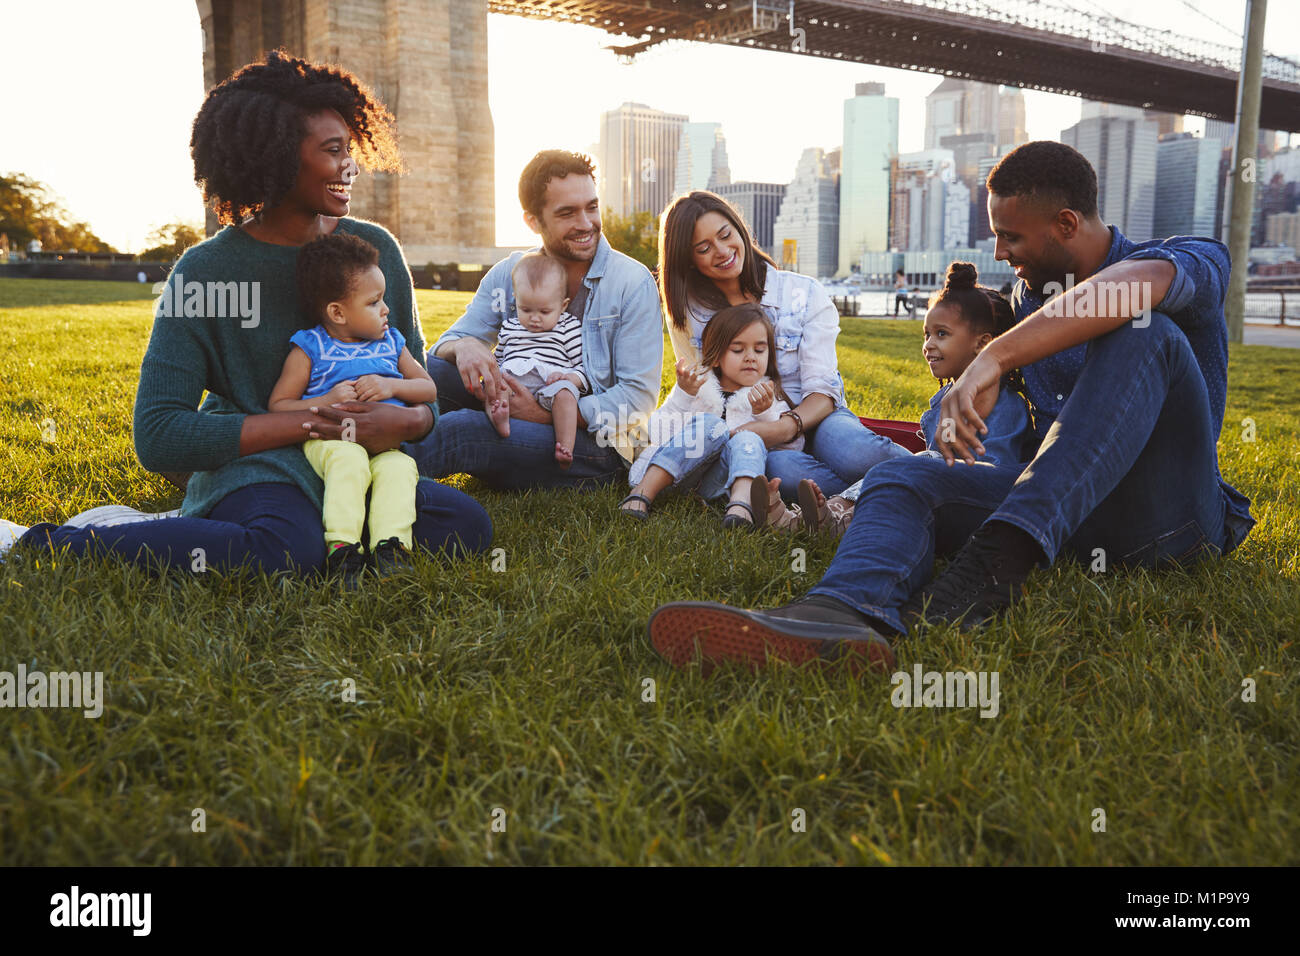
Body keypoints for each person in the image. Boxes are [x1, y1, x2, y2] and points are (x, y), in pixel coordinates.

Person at [645, 140, 1254, 676]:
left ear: (1066, 223)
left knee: (1143, 330)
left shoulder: (1188, 254)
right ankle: (838, 613)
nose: (999, 249)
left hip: (1171, 519)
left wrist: (995, 359)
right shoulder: (1022, 296)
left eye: (1010, 236)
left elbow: (1132, 288)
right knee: (898, 474)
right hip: (1071, 516)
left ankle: (1001, 559)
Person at [5, 51, 491, 572]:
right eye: (332, 151)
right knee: (287, 552)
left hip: (358, 465)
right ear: (278, 158)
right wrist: (314, 423)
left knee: (467, 527)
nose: (350, 165)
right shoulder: (204, 271)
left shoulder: (374, 251)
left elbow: (424, 401)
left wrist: (402, 418)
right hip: (259, 464)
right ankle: (46, 541)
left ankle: (239, 529)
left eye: (349, 149)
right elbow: (159, 432)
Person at [407, 150, 662, 490]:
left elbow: (638, 399)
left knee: (466, 430)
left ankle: (367, 475)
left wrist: (544, 413)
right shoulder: (508, 274)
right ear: (533, 221)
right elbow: (446, 345)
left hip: (594, 444)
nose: (586, 223)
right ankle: (348, 443)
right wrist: (465, 345)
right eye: (567, 213)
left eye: (591, 207)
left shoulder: (632, 282)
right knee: (432, 372)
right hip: (511, 401)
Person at [659, 191, 912, 504]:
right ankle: (878, 496)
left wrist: (784, 428)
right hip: (756, 434)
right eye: (704, 248)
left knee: (855, 452)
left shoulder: (803, 293)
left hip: (818, 418)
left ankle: (934, 472)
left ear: (739, 228)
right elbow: (705, 396)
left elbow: (823, 392)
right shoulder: (691, 316)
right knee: (784, 473)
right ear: (690, 261)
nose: (722, 251)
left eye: (725, 235)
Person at [755, 261, 1036, 535]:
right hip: (925, 486)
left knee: (918, 462)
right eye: (926, 334)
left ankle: (834, 513)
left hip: (959, 499)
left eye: (941, 334)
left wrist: (933, 467)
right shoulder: (945, 398)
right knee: (783, 466)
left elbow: (994, 475)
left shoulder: (1006, 406)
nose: (928, 345)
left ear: (983, 344)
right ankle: (820, 515)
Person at [267, 233, 438, 580]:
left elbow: (428, 389)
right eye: (374, 302)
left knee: (399, 469)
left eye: (384, 299)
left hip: (385, 444)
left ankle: (391, 547)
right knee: (350, 459)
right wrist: (327, 401)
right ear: (337, 312)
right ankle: (342, 549)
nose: (386, 309)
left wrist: (391, 385)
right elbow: (279, 406)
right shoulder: (311, 346)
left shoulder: (392, 342)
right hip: (331, 444)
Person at [618, 303, 803, 529]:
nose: (750, 357)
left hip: (720, 482)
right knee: (711, 425)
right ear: (716, 357)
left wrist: (764, 414)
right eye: (738, 350)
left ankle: (741, 504)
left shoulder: (768, 396)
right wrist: (683, 397)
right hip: (676, 473)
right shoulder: (696, 387)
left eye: (759, 349)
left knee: (749, 437)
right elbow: (657, 431)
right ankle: (642, 492)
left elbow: (791, 449)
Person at [485, 252, 588, 470]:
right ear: (516, 301)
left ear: (563, 305)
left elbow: (582, 366)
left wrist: (568, 377)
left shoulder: (567, 328)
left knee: (566, 396)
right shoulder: (510, 327)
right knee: (494, 384)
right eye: (526, 309)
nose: (534, 317)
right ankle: (500, 418)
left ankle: (564, 446)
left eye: (544, 311)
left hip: (549, 386)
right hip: (513, 383)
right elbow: (498, 359)